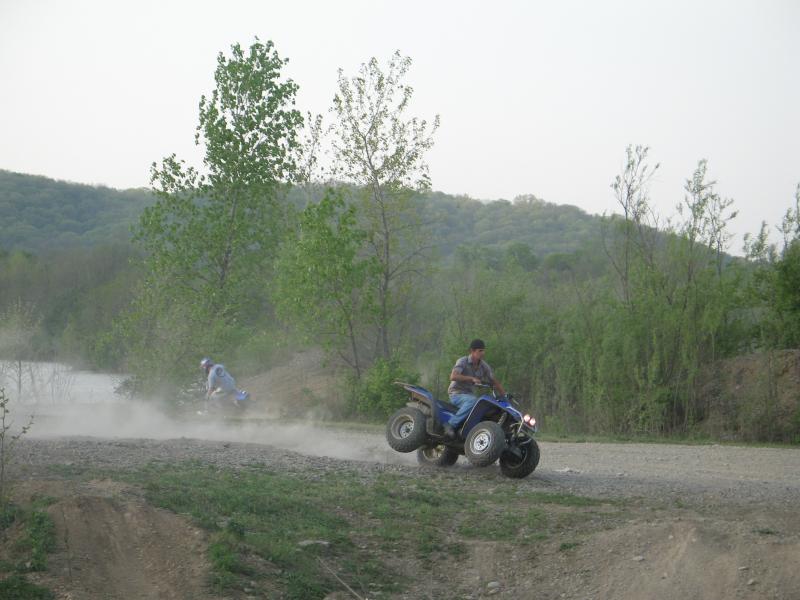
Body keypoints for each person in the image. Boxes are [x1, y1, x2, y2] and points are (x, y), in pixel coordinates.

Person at [444, 339, 506, 438]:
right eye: (479, 351)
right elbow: (453, 376)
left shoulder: (484, 366)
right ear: (472, 351)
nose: (482, 353)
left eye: (483, 350)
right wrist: (471, 378)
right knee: (473, 401)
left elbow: (494, 381)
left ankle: (470, 431)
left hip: (469, 396)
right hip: (456, 394)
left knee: (484, 404)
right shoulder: (462, 361)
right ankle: (450, 424)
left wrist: (505, 396)